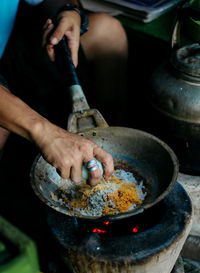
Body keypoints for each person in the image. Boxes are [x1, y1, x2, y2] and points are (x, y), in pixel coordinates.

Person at [0, 0, 128, 186]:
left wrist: (68, 11)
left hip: (8, 51)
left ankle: (111, 153)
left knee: (108, 33)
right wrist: (46, 133)